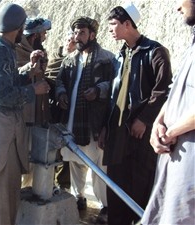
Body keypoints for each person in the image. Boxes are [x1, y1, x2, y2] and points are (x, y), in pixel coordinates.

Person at [99, 2, 172, 225]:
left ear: (128, 24)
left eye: (113, 24)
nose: (110, 29)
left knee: (140, 187)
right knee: (115, 187)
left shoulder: (155, 52)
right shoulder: (120, 55)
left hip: (141, 136)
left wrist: (144, 119)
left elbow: (163, 90)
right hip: (118, 135)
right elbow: (115, 96)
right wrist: (105, 127)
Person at [0, 3, 50, 225]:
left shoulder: (5, 48)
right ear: (17, 28)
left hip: (7, 125)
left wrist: (29, 70)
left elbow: (8, 80)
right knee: (1, 189)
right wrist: (33, 90)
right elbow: (4, 96)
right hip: (1, 125)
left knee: (9, 187)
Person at [141, 0, 195, 224]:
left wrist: (170, 132)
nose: (177, 7)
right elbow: (176, 91)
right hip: (173, 156)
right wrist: (158, 123)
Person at [55, 16, 114, 223]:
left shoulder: (106, 59)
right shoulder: (70, 60)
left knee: (99, 167)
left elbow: (115, 85)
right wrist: (61, 93)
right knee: (75, 163)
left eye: (81, 32)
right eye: (75, 32)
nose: (77, 36)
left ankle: (105, 206)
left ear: (92, 34)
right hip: (72, 121)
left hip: (94, 123)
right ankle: (79, 196)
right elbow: (60, 81)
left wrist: (99, 91)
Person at [15, 17, 51, 188]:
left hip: (38, 113)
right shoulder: (16, 52)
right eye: (43, 34)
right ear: (34, 36)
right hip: (22, 116)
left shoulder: (39, 52)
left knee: (34, 157)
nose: (44, 37)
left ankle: (29, 190)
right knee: (20, 157)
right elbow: (14, 79)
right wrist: (30, 66)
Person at [45, 30, 76, 191]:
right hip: (49, 111)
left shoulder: (75, 63)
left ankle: (64, 184)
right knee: (50, 149)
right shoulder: (54, 60)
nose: (70, 44)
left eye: (73, 41)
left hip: (65, 111)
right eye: (68, 40)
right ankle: (47, 183)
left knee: (65, 150)